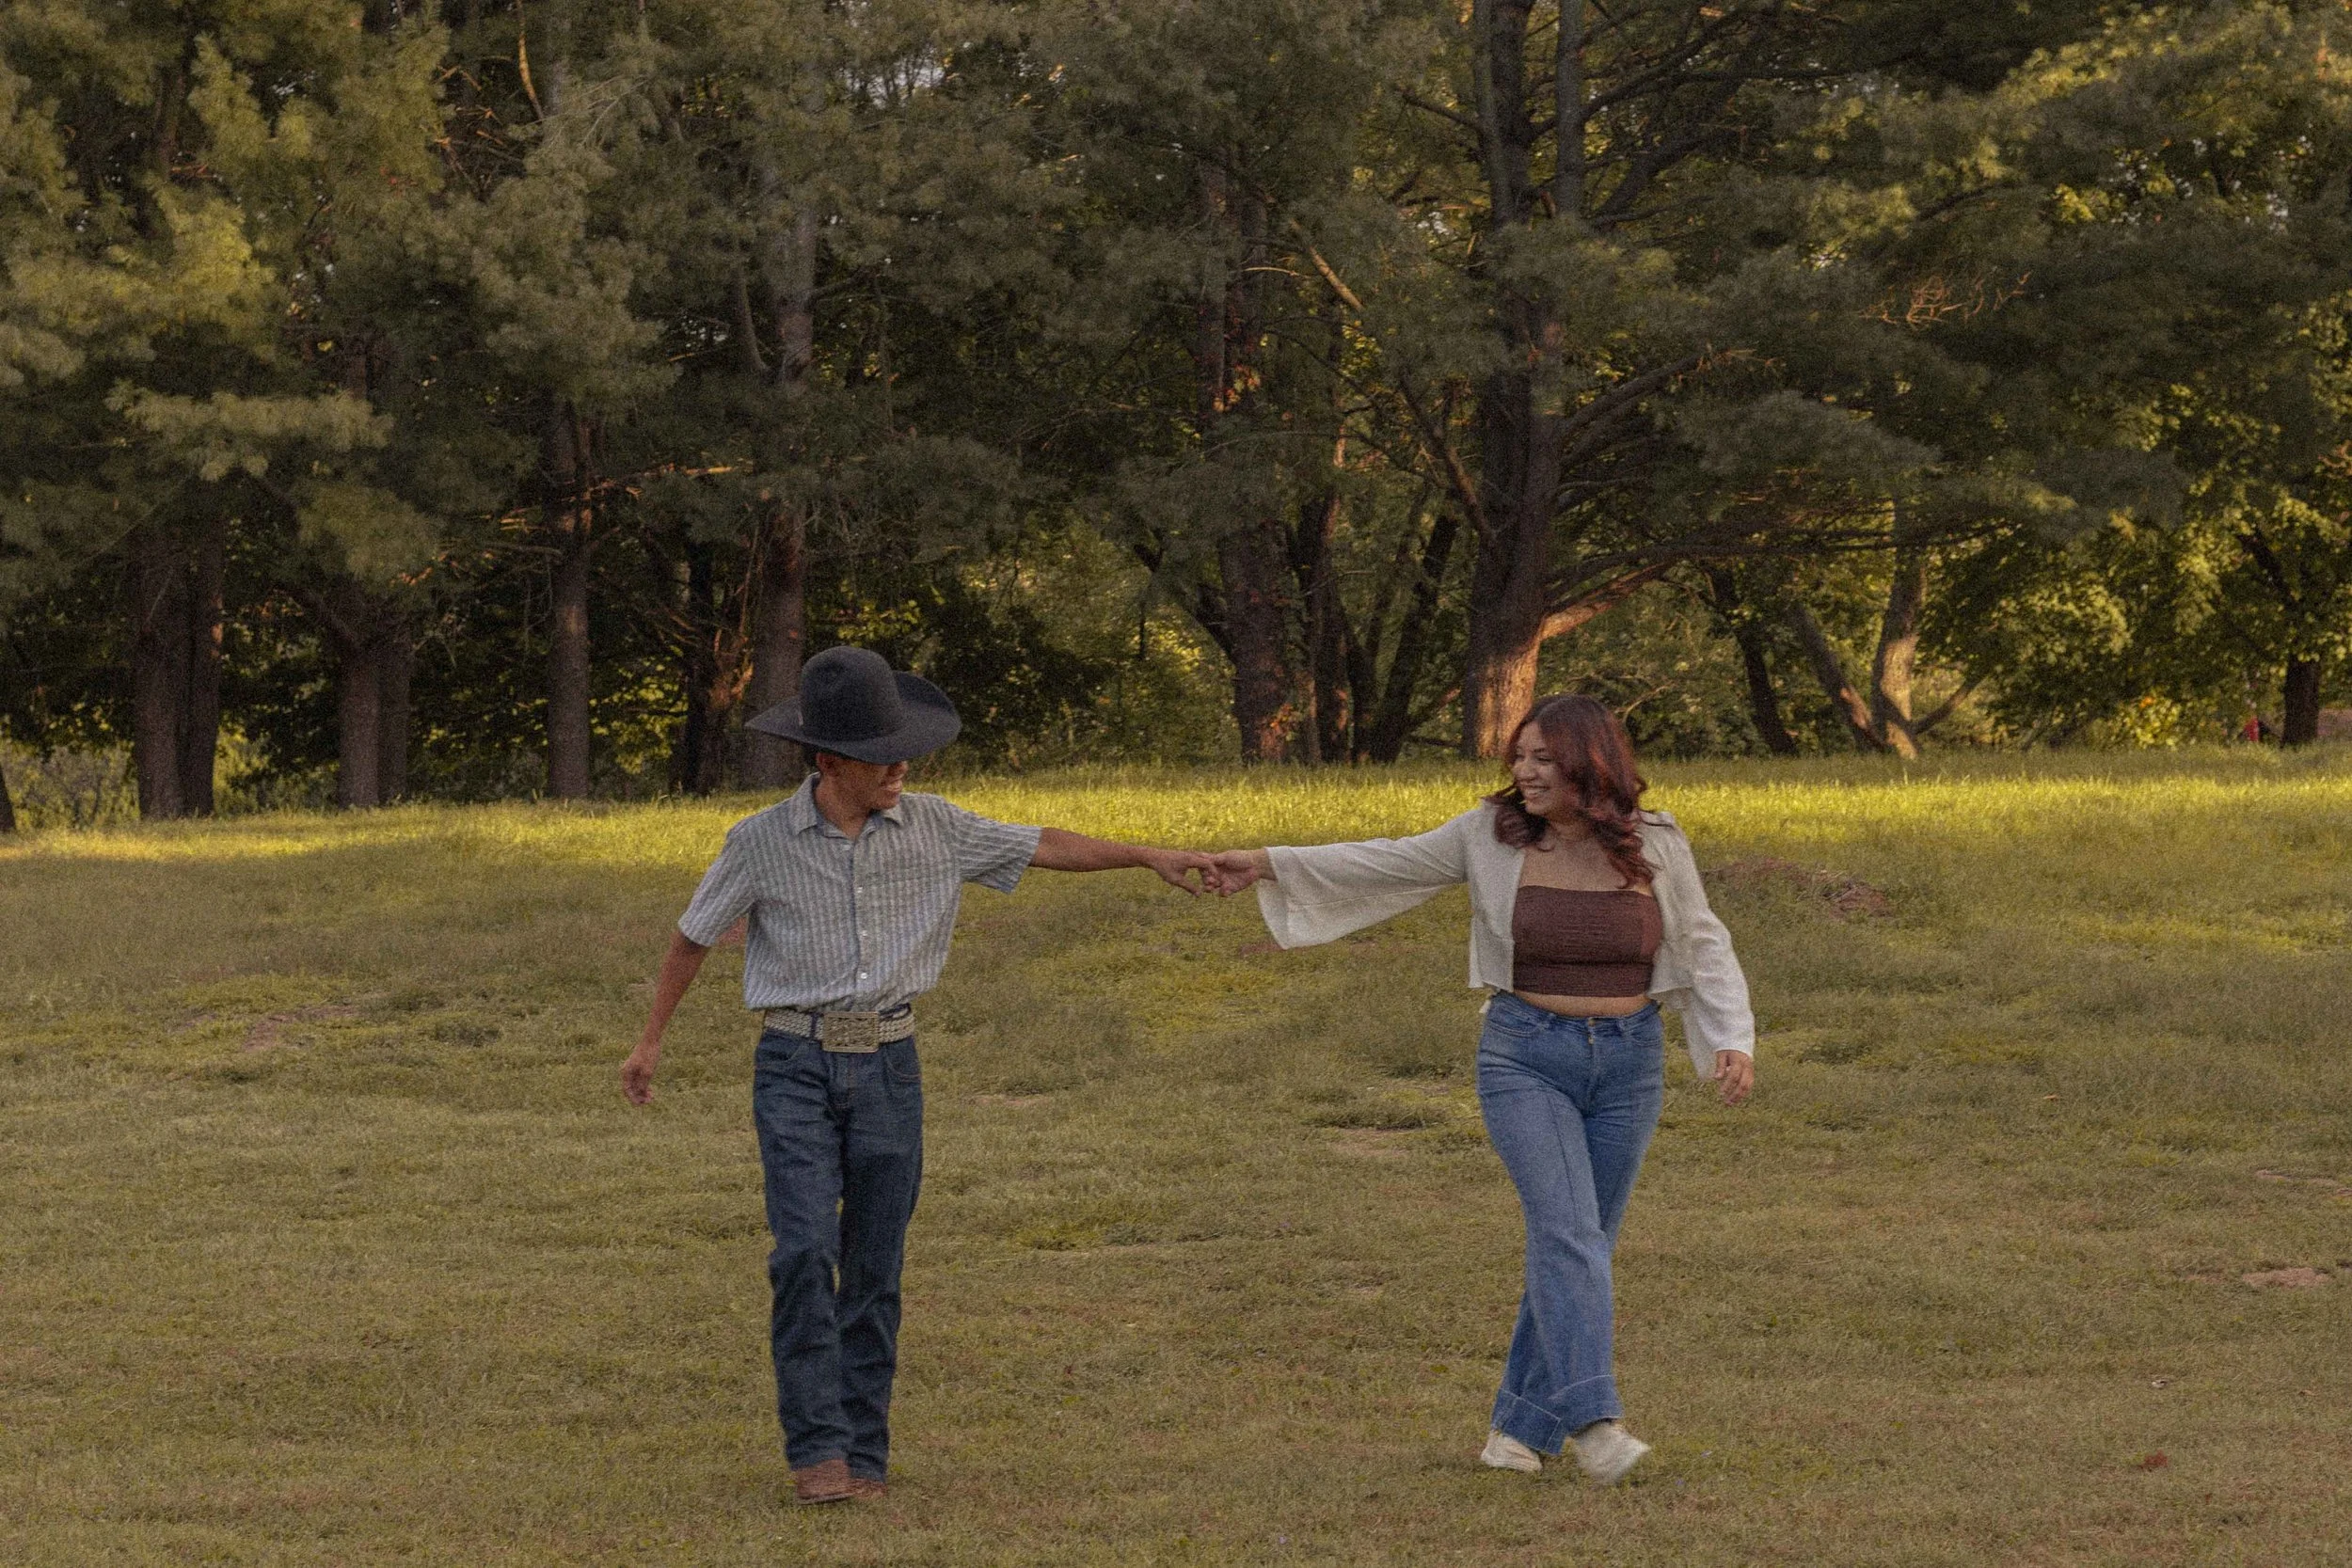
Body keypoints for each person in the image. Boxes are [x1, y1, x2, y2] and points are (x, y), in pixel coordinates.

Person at [621, 645, 1215, 1505]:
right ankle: (816, 1449)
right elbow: (691, 937)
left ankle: (863, 1453)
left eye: (904, 750)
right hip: (793, 1063)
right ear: (828, 761)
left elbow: (1044, 844)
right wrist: (650, 1042)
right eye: (880, 755)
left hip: (890, 1067)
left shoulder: (940, 826)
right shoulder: (758, 843)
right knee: (804, 1251)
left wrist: (1149, 853)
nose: (901, 766)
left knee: (875, 1263)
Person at [1204, 694, 1754, 1486]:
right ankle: (1595, 1422)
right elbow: (1384, 860)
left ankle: (1517, 1428)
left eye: (1543, 758)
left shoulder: (1656, 842)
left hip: (1630, 1064)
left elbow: (1701, 939)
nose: (1524, 771)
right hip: (1525, 1057)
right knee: (1568, 1233)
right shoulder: (1488, 833)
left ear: (1589, 764)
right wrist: (1263, 861)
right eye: (1519, 756)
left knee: (1582, 1244)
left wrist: (1731, 1036)